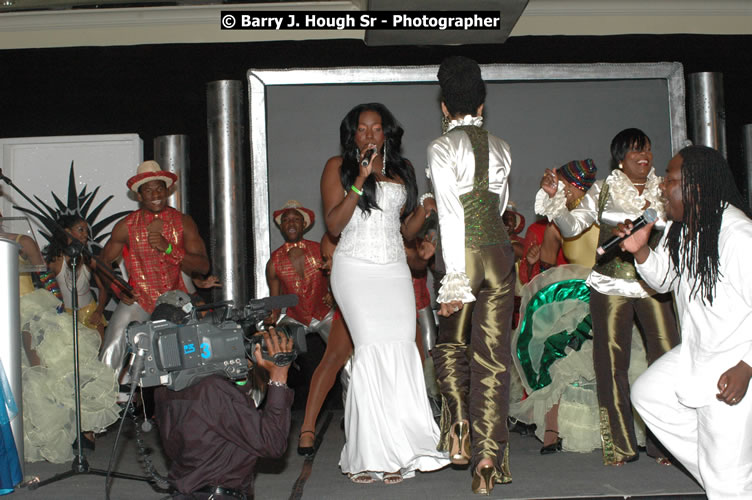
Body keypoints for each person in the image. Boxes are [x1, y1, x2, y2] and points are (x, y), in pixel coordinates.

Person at [321, 102, 449, 484]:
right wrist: (359, 180)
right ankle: (369, 453)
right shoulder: (337, 167)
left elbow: (404, 231)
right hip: (355, 268)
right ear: (353, 134)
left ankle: (403, 447)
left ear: (387, 132)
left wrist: (424, 212)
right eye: (362, 129)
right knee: (372, 351)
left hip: (393, 268)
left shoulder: (402, 170)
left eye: (377, 129)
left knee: (400, 350)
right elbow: (333, 225)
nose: (370, 135)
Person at [535, 128, 679, 465]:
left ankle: (667, 444)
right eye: (635, 152)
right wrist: (556, 201)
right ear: (620, 158)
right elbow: (571, 228)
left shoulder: (664, 191)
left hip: (652, 285)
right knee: (611, 366)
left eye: (647, 150)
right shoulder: (602, 190)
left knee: (668, 360)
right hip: (610, 286)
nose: (644, 157)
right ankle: (620, 445)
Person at [620, 145, 752, 499]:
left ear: (695, 187)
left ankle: (732, 478)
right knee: (649, 394)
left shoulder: (737, 235)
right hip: (698, 354)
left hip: (734, 361)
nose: (662, 187)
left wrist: (746, 366)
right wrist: (642, 251)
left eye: (671, 179)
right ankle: (728, 473)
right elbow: (662, 280)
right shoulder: (687, 228)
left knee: (728, 482)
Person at [427, 56, 515, 495]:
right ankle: (487, 457)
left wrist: (455, 279)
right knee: (494, 357)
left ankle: (459, 424)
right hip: (500, 253)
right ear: (481, 105)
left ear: (445, 107)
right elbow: (499, 209)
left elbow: (449, 214)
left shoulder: (441, 148)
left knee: (450, 346)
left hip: (462, 254)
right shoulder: (501, 146)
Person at [154, 328, 295, 500]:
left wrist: (240, 368)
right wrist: (279, 376)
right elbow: (273, 442)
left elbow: (180, 447)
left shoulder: (163, 390)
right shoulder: (212, 390)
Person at [99, 160, 210, 373]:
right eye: (148, 190)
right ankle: (103, 404)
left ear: (167, 190)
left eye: (159, 188)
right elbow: (102, 262)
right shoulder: (126, 226)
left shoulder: (183, 222)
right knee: (113, 342)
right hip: (140, 298)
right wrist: (118, 288)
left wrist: (169, 249)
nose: (155, 194)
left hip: (176, 299)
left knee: (197, 352)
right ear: (139, 196)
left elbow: (203, 266)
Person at [264, 201, 351, 457]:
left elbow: (340, 278)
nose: (291, 224)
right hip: (295, 318)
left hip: (324, 315)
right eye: (286, 220)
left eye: (296, 219)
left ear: (305, 224)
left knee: (347, 364)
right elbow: (276, 301)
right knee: (273, 358)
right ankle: (267, 416)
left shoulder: (319, 250)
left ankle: (352, 415)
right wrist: (270, 321)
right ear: (281, 227)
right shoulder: (274, 262)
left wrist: (334, 297)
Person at [44, 214, 109, 339]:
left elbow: (104, 287)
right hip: (64, 316)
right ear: (67, 232)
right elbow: (47, 290)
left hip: (90, 314)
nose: (85, 235)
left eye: (86, 231)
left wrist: (98, 312)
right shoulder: (54, 261)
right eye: (81, 230)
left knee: (95, 352)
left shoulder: (89, 259)